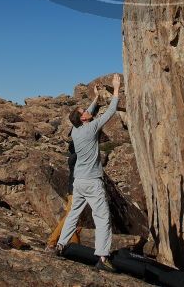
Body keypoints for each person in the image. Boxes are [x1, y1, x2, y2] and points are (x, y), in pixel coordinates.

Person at [54, 73, 121, 273]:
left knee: (73, 214)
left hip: (79, 182)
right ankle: (103, 257)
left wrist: (94, 97)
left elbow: (90, 111)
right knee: (102, 218)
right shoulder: (91, 128)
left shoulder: (76, 131)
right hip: (92, 182)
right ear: (83, 118)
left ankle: (60, 245)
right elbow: (110, 112)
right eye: (84, 111)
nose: (87, 110)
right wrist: (116, 88)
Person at [46, 86, 104, 249]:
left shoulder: (75, 141)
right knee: (70, 217)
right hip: (77, 187)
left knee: (72, 218)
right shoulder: (77, 156)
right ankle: (53, 242)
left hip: (75, 186)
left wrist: (96, 98)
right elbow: (84, 119)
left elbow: (83, 117)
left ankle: (71, 245)